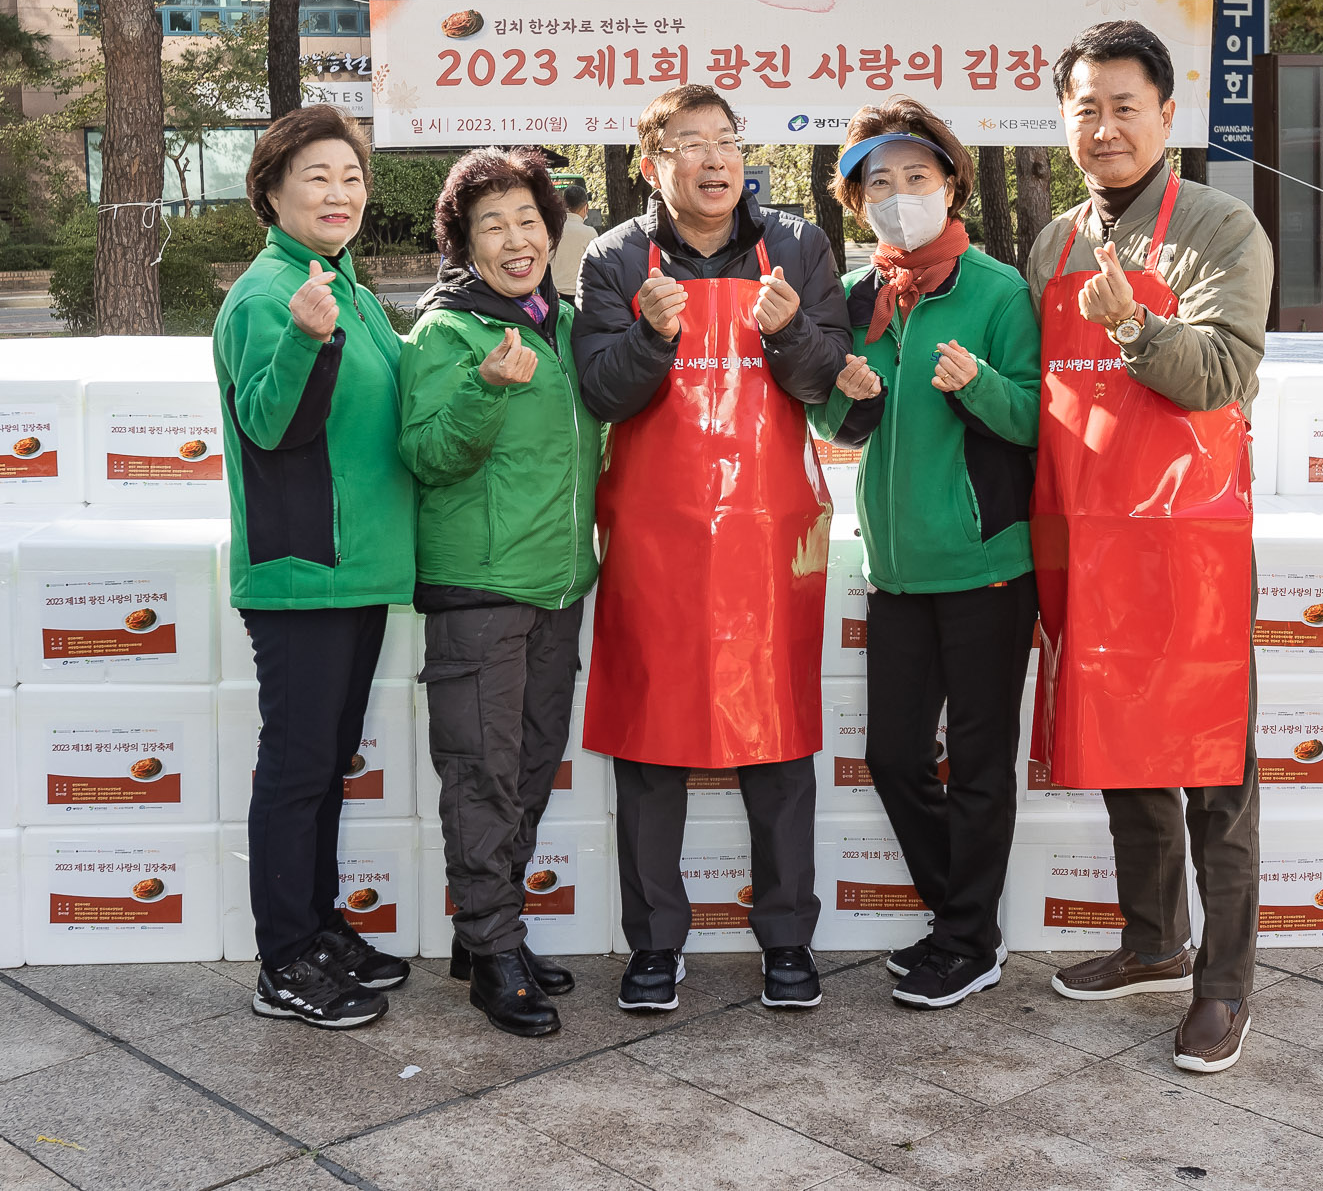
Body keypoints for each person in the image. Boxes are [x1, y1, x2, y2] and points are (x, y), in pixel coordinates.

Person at [1023, 19, 1272, 1075]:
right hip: (1089, 533)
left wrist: (1132, 328)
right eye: (1085, 106)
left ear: (1168, 115)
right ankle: (1149, 939)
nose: (1104, 125)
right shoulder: (1054, 240)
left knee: (1214, 770)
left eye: (1125, 104)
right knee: (1126, 751)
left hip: (1188, 542)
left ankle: (1224, 984)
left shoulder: (1220, 227)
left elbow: (1222, 372)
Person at [572, 83, 849, 1013]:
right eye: (690, 143)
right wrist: (653, 335)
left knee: (775, 740)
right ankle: (654, 943)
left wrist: (788, 330)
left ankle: (787, 940)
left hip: (770, 538)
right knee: (651, 743)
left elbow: (826, 379)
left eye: (726, 139)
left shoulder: (798, 246)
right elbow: (604, 392)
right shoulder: (615, 257)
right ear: (654, 164)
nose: (715, 158)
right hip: (656, 536)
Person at [810, 100, 1041, 1011]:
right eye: (879, 183)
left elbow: (1033, 419)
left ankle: (966, 938)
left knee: (981, 764)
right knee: (896, 756)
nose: (899, 196)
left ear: (952, 182)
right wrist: (853, 398)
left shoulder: (997, 290)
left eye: (916, 177)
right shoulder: (862, 298)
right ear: (856, 201)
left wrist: (980, 385)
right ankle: (965, 921)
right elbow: (834, 421)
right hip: (897, 569)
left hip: (986, 563)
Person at [213, 104, 416, 1030]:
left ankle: (319, 927)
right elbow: (266, 422)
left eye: (352, 177)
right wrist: (302, 335)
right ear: (271, 191)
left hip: (359, 571)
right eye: (317, 177)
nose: (341, 193)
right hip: (305, 573)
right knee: (297, 770)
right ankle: (283, 961)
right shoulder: (271, 294)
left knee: (327, 764)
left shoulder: (343, 284)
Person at [399, 150, 604, 1039]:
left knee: (526, 767)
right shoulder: (447, 333)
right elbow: (428, 454)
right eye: (493, 225)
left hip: (558, 582)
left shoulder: (564, 322)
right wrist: (486, 389)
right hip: (480, 584)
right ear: (463, 241)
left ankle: (487, 936)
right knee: (480, 773)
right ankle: (495, 951)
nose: (516, 239)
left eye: (528, 220)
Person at [555, 182, 599, 305]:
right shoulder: (590, 233)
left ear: (564, 204)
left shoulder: (552, 231)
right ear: (586, 207)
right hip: (579, 295)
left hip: (553, 295)